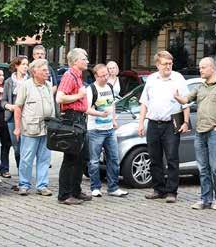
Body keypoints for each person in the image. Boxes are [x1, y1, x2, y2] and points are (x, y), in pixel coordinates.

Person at [174, 57, 216, 210]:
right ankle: (205, 198)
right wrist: (176, 96)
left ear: (212, 68)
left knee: (215, 167)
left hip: (214, 132)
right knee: (202, 168)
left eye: (203, 67)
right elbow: (185, 100)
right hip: (199, 132)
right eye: (200, 67)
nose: (200, 70)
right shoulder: (200, 87)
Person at [138, 50, 190, 203]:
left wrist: (186, 122)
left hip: (171, 124)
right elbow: (144, 102)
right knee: (154, 157)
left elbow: (186, 102)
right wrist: (141, 122)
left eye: (170, 63)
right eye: (165, 64)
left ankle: (171, 191)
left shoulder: (178, 78)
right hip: (153, 123)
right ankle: (158, 189)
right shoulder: (152, 79)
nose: (168, 66)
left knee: (172, 158)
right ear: (157, 65)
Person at [13, 59, 55, 196]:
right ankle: (24, 184)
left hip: (47, 128)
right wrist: (17, 128)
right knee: (26, 158)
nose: (47, 72)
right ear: (34, 72)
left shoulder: (49, 85)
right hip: (30, 128)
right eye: (44, 70)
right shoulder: (26, 86)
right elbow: (18, 107)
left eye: (47, 70)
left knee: (44, 158)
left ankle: (42, 185)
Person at [56, 48, 92, 205]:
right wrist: (79, 96)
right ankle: (64, 195)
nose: (87, 61)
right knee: (70, 157)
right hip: (72, 119)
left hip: (80, 119)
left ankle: (76, 191)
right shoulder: (69, 76)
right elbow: (59, 97)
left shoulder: (78, 76)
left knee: (81, 157)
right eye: (84, 58)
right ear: (76, 61)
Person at [86, 64, 128, 198]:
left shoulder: (109, 87)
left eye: (106, 75)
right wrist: (100, 114)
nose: (105, 78)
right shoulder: (91, 89)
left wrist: (114, 119)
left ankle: (113, 187)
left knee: (114, 158)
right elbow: (86, 109)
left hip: (109, 129)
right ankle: (95, 187)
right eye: (102, 76)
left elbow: (112, 104)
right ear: (96, 76)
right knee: (94, 160)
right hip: (95, 129)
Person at [1, 56, 29, 170]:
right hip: (12, 117)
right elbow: (3, 101)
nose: (25, 67)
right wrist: (9, 106)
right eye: (23, 64)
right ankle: (20, 170)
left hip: (27, 117)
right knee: (17, 147)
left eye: (27, 65)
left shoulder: (30, 81)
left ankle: (24, 173)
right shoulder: (9, 82)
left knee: (26, 147)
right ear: (16, 66)